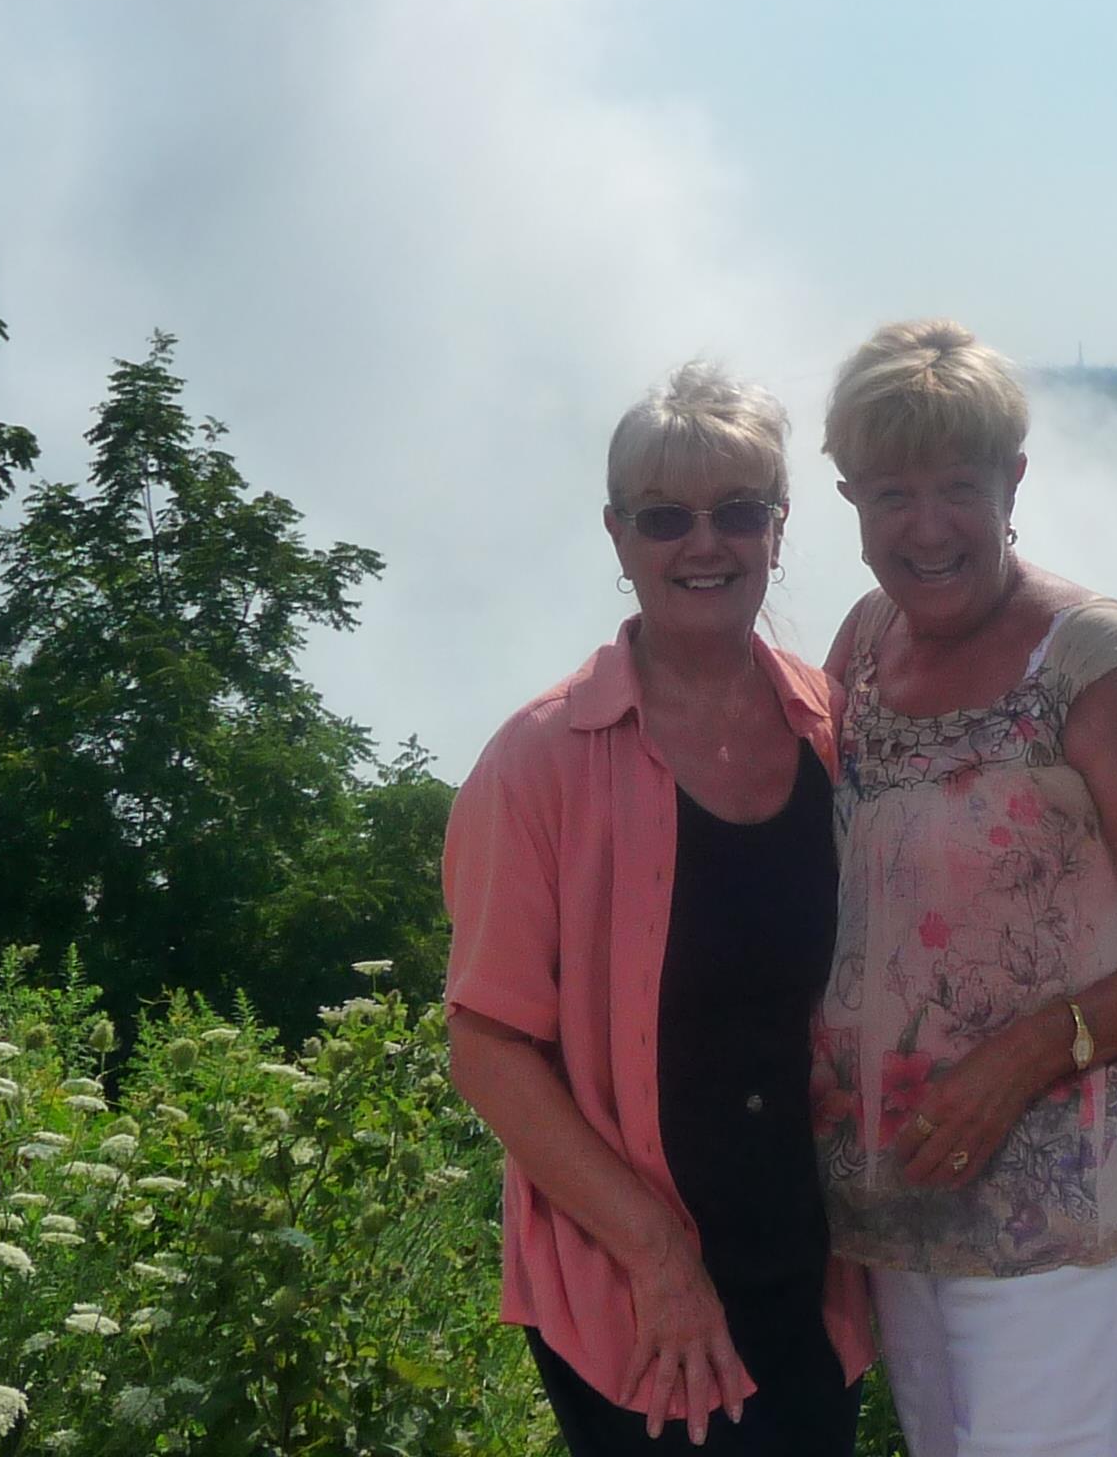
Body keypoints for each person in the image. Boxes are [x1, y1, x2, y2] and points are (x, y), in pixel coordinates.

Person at [812, 319, 1117, 1456]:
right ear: (850, 500)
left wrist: (1021, 1058)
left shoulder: (1094, 668)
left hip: (1065, 1209)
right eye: (889, 494)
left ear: (1013, 481)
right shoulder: (865, 644)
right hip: (900, 1196)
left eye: (956, 487)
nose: (924, 528)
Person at [444, 363, 869, 1453]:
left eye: (738, 512)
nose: (705, 544)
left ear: (780, 528)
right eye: (664, 518)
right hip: (634, 1289)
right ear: (617, 535)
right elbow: (489, 1044)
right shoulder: (542, 760)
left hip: (812, 1266)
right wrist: (660, 1259)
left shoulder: (834, 728)